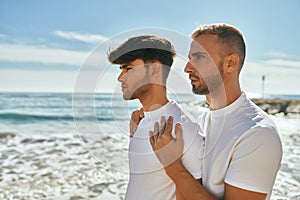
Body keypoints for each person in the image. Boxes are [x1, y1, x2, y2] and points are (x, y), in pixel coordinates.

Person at [131, 24, 283, 200]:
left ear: (231, 63)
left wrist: (172, 165)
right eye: (189, 58)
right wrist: (144, 125)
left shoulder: (257, 134)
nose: (187, 68)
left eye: (200, 58)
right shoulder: (203, 121)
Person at [108, 35, 204, 200]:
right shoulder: (142, 122)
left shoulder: (182, 127)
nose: (120, 77)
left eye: (128, 68)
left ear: (154, 70)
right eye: (121, 69)